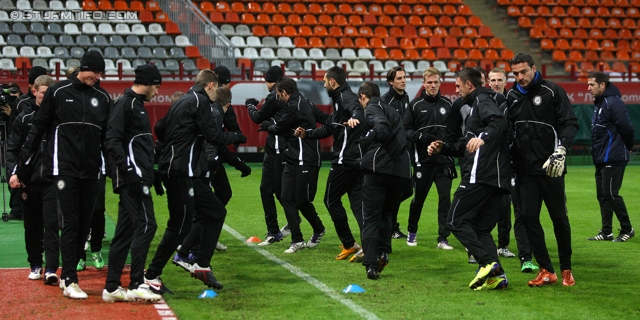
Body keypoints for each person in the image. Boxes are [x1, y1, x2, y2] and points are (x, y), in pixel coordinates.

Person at [15, 50, 111, 299]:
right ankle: (70, 278)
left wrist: (113, 166)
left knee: (83, 223)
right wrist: (23, 165)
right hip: (63, 168)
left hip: (91, 170)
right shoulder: (58, 92)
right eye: (94, 72)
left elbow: (107, 137)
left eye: (100, 74)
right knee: (70, 222)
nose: (97, 77)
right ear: (83, 68)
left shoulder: (102, 97)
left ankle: (69, 272)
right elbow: (38, 128)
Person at [144, 69, 246, 293]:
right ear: (210, 86)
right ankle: (151, 275)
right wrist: (237, 136)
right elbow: (215, 137)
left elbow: (160, 128)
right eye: (215, 90)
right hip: (181, 171)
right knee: (179, 226)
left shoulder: (183, 101)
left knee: (215, 211)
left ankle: (201, 264)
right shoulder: (200, 102)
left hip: (183, 171)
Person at [428, 67, 511, 290]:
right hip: (496, 178)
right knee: (481, 228)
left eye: (458, 86)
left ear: (469, 85)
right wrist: (443, 148)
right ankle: (497, 276)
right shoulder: (475, 105)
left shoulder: (482, 100)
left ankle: (487, 263)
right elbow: (466, 145)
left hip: (481, 174)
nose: (456, 90)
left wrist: (483, 138)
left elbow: (499, 122)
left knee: (455, 220)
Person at [506, 53, 578, 287]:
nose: (519, 77)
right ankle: (547, 269)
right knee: (527, 218)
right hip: (524, 170)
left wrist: (562, 148)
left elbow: (570, 122)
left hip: (551, 168)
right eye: (515, 73)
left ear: (534, 68)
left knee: (559, 218)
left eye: (523, 72)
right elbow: (508, 129)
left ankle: (566, 269)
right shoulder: (512, 95)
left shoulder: (553, 92)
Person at [102, 64, 163, 302]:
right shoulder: (125, 104)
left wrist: (152, 174)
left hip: (139, 175)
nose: (157, 91)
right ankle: (137, 282)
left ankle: (111, 287)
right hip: (132, 179)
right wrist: (129, 172)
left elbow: (137, 146)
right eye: (156, 86)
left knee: (125, 232)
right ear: (147, 83)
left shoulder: (136, 105)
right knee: (147, 225)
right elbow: (112, 139)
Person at [295, 66, 366, 261]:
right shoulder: (339, 100)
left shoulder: (346, 97)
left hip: (345, 160)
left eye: (325, 81)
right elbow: (330, 128)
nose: (324, 84)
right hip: (355, 160)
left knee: (331, 200)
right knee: (357, 204)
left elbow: (358, 110)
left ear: (333, 82)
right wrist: (307, 134)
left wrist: (355, 119)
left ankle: (350, 243)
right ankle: (369, 245)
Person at [346, 81, 411, 280]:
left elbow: (381, 128)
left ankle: (371, 264)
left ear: (363, 97)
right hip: (399, 173)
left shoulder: (373, 107)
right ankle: (383, 252)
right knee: (387, 215)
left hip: (379, 171)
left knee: (371, 218)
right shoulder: (392, 110)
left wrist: (367, 138)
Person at [260, 77, 325, 253]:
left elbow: (278, 128)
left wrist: (266, 124)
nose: (278, 98)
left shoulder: (295, 107)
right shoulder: (305, 102)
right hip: (292, 157)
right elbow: (324, 117)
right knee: (286, 196)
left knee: (302, 200)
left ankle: (319, 229)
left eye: (279, 94)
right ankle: (297, 239)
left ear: (284, 93)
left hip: (306, 158)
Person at [6, 75, 58, 284]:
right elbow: (12, 148)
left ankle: (51, 268)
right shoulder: (24, 119)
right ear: (34, 92)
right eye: (43, 92)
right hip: (29, 180)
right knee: (32, 226)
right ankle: (35, 263)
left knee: (53, 225)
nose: (45, 96)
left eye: (49, 92)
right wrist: (13, 173)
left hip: (53, 179)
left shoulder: (58, 119)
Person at [488, 68, 538, 272]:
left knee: (520, 211)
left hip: (514, 165)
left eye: (500, 79)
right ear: (487, 82)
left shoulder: (512, 101)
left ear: (506, 81)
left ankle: (525, 256)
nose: (496, 83)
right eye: (493, 80)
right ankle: (478, 248)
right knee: (489, 208)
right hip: (491, 166)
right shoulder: (481, 103)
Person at [404, 67, 454, 250]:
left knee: (444, 199)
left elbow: (454, 132)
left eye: (436, 82)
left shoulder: (448, 105)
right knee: (419, 199)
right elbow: (406, 129)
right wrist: (420, 137)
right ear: (424, 84)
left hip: (444, 162)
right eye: (429, 82)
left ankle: (443, 238)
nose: (433, 85)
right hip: (422, 161)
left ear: (440, 82)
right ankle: (412, 231)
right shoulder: (415, 105)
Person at [586, 72, 635, 242]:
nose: (588, 88)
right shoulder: (600, 104)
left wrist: (627, 147)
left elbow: (627, 128)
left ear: (602, 85)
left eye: (592, 85)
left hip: (613, 156)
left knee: (611, 193)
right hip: (601, 157)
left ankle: (627, 229)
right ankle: (606, 231)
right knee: (603, 195)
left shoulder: (613, 103)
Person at [245, 66, 288, 245]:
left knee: (277, 191)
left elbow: (258, 117)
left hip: (278, 148)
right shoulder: (287, 94)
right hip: (276, 148)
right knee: (270, 190)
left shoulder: (274, 95)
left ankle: (293, 226)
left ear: (269, 82)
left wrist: (249, 105)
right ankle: (275, 230)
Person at [380, 66, 412, 239]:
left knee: (406, 190)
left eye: (404, 77)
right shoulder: (386, 101)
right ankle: (391, 226)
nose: (403, 80)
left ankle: (388, 219)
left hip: (404, 151)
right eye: (399, 78)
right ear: (391, 82)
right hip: (391, 154)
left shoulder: (406, 97)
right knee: (398, 190)